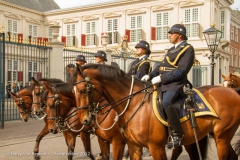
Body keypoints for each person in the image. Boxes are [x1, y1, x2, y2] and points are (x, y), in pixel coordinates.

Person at [141, 24, 195, 148]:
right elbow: (161, 66)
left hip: (177, 84)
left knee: (166, 102)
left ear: (180, 35)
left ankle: (177, 134)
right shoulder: (171, 49)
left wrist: (161, 78)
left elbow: (182, 70)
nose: (169, 35)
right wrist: (150, 75)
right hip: (164, 84)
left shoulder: (188, 49)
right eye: (169, 33)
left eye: (172, 33)